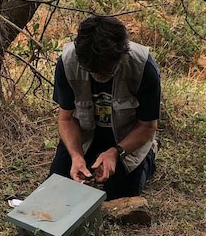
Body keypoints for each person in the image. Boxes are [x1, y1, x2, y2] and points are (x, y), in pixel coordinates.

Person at [49, 15, 161, 201]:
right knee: (57, 187)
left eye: (107, 70)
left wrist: (115, 153)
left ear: (122, 55)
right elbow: (66, 118)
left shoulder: (143, 67)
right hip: (85, 134)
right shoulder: (67, 62)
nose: (100, 75)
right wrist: (76, 156)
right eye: (92, 71)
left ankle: (150, 153)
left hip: (127, 137)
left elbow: (148, 126)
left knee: (116, 195)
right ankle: (87, 156)